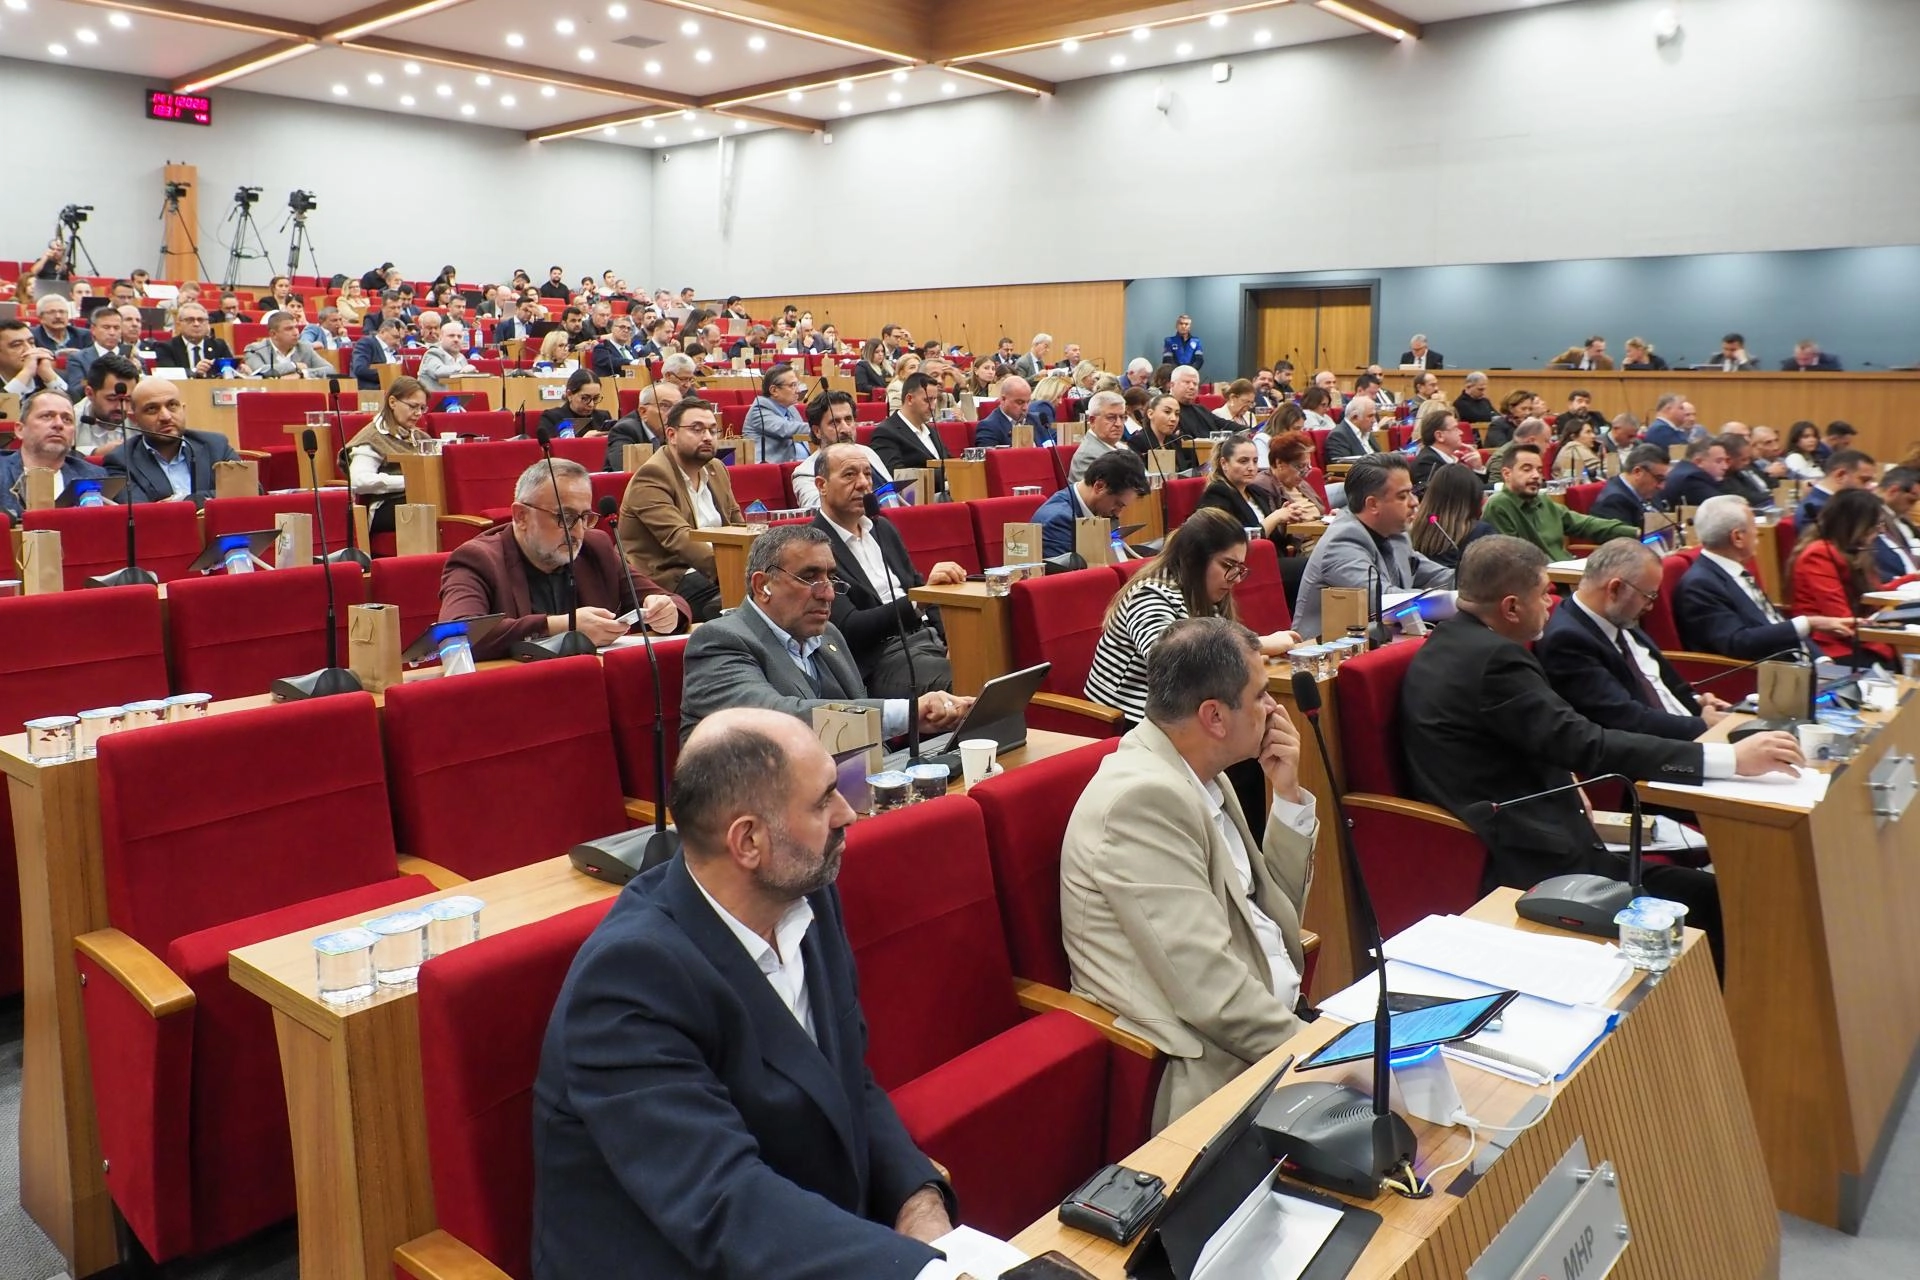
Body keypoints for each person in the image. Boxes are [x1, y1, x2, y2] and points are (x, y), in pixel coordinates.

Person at [531, 705, 966, 1279]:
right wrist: (921, 1273)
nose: (847, 813)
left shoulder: (804, 897)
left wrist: (918, 1200)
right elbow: (724, 1202)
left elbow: (847, 1082)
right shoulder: (628, 981)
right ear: (749, 840)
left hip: (800, 1243)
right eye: (823, 801)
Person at [1402, 536, 1805, 960]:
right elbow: (1588, 743)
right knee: (1722, 903)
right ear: (1511, 607)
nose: (1552, 603)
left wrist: (1567, 777)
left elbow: (1539, 735)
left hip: (1530, 825)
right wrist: (1731, 759)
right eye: (1543, 593)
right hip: (1528, 861)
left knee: (1713, 892)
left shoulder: (1454, 643)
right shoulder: (1496, 661)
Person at [1062, 617, 1317, 1131]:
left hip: (1275, 1029)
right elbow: (1212, 994)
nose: (1274, 709)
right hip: (1219, 1071)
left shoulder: (1201, 773)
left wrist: (1287, 796)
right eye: (1261, 695)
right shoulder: (1141, 801)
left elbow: (1270, 916)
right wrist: (1321, 1054)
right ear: (1214, 716)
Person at [678, 525, 972, 740]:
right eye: (809, 577)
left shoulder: (829, 636)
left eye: (831, 578)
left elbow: (865, 735)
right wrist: (909, 713)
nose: (828, 594)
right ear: (762, 586)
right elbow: (776, 718)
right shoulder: (719, 641)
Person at [439, 458, 686, 661]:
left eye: (584, 517)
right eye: (564, 517)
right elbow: (455, 635)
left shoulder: (594, 548)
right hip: (514, 693)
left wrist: (667, 613)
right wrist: (563, 626)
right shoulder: (478, 559)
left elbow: (671, 601)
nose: (577, 531)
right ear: (521, 516)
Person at [810, 444, 965, 698]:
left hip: (928, 642)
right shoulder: (815, 546)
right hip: (881, 660)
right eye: (849, 475)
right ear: (821, 485)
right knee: (971, 680)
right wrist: (916, 602)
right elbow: (849, 628)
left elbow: (917, 584)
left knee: (1003, 667)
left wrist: (952, 643)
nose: (863, 484)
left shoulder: (882, 528)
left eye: (867, 474)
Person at [1538, 539, 1731, 740]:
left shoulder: (1618, 616)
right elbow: (1625, 718)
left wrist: (1698, 702)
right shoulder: (1566, 642)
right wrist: (1702, 725)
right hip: (1662, 747)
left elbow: (1663, 682)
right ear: (1615, 589)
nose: (1650, 606)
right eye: (1648, 596)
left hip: (1688, 728)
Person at [1672, 495, 1855, 660]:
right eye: (1754, 526)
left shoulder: (1734, 570)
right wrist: (1808, 623)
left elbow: (1774, 621)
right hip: (1766, 676)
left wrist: (1821, 660)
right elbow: (1738, 642)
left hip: (1804, 664)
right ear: (1737, 537)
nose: (1757, 532)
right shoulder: (1700, 585)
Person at [1293, 454, 1454, 640]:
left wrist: (1473, 583)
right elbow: (1384, 601)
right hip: (1324, 650)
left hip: (1381, 639)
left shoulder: (1395, 533)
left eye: (1412, 492)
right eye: (1403, 496)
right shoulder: (1342, 543)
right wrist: (1451, 599)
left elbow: (1437, 576)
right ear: (1373, 504)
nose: (1414, 502)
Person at [618, 397, 746, 621]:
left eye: (712, 430)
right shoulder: (652, 476)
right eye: (697, 429)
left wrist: (761, 563)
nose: (707, 437)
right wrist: (734, 573)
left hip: (716, 569)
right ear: (672, 435)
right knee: (753, 597)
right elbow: (680, 539)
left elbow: (738, 525)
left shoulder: (716, 468)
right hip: (672, 577)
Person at [1789, 489, 1918, 666]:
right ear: (1856, 525)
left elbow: (1873, 594)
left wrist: (1912, 578)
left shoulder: (1851, 550)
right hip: (1835, 646)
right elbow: (1841, 619)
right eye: (1876, 524)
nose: (1880, 530)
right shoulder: (1818, 554)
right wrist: (1892, 630)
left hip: (1862, 635)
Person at [1483, 444, 1639, 560]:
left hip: (1566, 572)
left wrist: (1634, 532)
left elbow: (1585, 524)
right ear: (1507, 474)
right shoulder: (1499, 505)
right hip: (1543, 581)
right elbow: (1514, 559)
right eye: (1527, 469)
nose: (1536, 475)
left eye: (1539, 470)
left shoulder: (1542, 500)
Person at [102, 377, 241, 506]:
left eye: (172, 405)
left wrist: (186, 500)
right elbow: (143, 512)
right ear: (134, 419)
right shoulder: (121, 461)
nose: (166, 417)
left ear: (183, 409)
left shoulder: (215, 445)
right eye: (152, 409)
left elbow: (245, 490)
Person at [339, 376, 435, 535]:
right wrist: (410, 482)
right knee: (427, 507)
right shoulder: (372, 438)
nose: (418, 413)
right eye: (413, 406)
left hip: (416, 500)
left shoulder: (421, 437)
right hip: (385, 507)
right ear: (392, 402)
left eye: (422, 408)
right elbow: (359, 481)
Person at [0, 387, 110, 518]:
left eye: (67, 419)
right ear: (20, 430)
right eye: (47, 416)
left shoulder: (92, 476)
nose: (58, 424)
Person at [1034, 451, 1153, 559]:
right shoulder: (1057, 522)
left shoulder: (1101, 512)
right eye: (1118, 504)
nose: (1118, 514)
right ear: (1099, 486)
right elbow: (1072, 574)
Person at [790, 391, 890, 510]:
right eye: (834, 422)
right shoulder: (806, 472)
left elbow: (895, 494)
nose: (845, 429)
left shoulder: (867, 452)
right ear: (817, 431)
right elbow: (819, 511)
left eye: (848, 419)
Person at [1197, 433, 1293, 543]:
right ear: (1224, 463)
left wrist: (1282, 521)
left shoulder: (1258, 492)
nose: (1251, 468)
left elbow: (1275, 540)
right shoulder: (1216, 495)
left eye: (1255, 461)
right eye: (1243, 461)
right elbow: (1235, 542)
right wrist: (1275, 517)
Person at [869, 372, 950, 475]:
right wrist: (945, 475)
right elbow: (896, 474)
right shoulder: (886, 432)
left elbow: (949, 462)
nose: (933, 407)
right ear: (910, 399)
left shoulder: (931, 431)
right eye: (927, 400)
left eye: (935, 400)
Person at [1249, 429, 1327, 525]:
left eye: (1308, 467)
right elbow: (1272, 528)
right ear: (1279, 463)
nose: (1305, 473)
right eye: (1300, 466)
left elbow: (1321, 512)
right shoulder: (1262, 487)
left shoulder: (1300, 484)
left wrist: (1329, 518)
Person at [740, 364, 812, 464]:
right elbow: (786, 429)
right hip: (771, 469)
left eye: (797, 384)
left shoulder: (790, 408)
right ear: (774, 390)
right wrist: (821, 427)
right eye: (792, 385)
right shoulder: (759, 410)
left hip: (801, 465)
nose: (798, 391)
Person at [1589, 444, 1672, 528]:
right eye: (1659, 479)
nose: (1661, 486)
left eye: (1664, 479)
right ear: (1637, 472)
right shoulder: (1612, 503)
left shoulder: (1647, 491)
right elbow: (1627, 536)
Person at [71, 354, 141, 451]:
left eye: (128, 399)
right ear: (90, 393)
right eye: (112, 398)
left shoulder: (140, 418)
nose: (122, 407)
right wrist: (94, 454)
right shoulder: (70, 420)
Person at [1796, 449, 1877, 527]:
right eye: (1864, 480)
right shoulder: (1816, 509)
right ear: (1840, 475)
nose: (1869, 487)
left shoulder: (1836, 504)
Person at [62, 307, 132, 395]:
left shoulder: (132, 357)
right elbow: (76, 391)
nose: (112, 333)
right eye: (106, 327)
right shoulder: (78, 359)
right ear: (93, 330)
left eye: (116, 328)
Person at [1128, 392, 1199, 476]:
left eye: (1177, 414)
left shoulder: (1177, 440)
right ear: (1150, 414)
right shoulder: (1137, 442)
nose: (1173, 419)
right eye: (1167, 412)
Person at [1408, 407, 1477, 490]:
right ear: (1439, 436)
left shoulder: (1453, 459)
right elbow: (1460, 492)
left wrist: (1478, 468)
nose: (1461, 432)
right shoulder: (1427, 463)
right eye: (1455, 428)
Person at [1068, 389, 1128, 483]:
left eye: (1122, 417)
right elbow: (1101, 491)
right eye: (1111, 417)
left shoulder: (1122, 447)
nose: (1119, 424)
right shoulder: (1087, 456)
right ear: (1092, 421)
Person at [537, 369, 615, 438]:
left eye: (595, 398)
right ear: (569, 395)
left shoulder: (603, 417)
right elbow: (549, 448)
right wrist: (584, 441)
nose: (591, 404)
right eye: (585, 398)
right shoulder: (551, 417)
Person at [1658, 436, 1732, 509]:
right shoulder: (1692, 478)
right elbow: (1724, 507)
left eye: (1726, 461)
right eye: (1719, 461)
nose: (1725, 467)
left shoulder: (1682, 469)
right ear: (1698, 462)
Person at [973, 374, 1044, 448]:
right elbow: (990, 454)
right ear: (1003, 399)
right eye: (1020, 402)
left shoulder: (1038, 420)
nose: (1025, 408)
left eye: (1028, 402)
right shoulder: (989, 427)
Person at [0, 319, 66, 398]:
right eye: (17, 345)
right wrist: (26, 373)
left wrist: (48, 375)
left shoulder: (52, 375)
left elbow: (73, 404)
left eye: (31, 342)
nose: (29, 349)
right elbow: (3, 405)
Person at [1874, 467, 1920, 580]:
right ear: (1893, 491)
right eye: (1911, 500)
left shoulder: (1903, 520)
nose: (1912, 506)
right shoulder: (1870, 516)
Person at [417, 322, 480, 393]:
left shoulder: (461, 357)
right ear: (440, 338)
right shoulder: (432, 353)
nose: (456, 339)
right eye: (451, 336)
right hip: (434, 399)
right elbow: (439, 372)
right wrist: (463, 370)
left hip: (458, 397)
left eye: (459, 337)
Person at [1552, 417, 1606, 481]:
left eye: (1592, 432)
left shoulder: (1573, 448)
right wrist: (1605, 456)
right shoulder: (1573, 447)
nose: (1593, 436)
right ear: (1573, 437)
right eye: (1588, 432)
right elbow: (1606, 470)